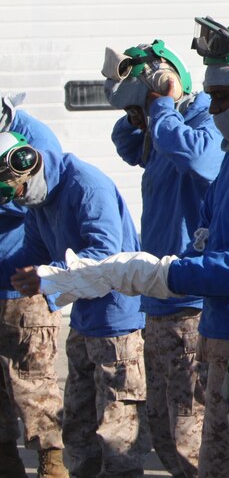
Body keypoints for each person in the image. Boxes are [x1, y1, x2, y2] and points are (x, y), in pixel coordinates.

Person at [40, 19, 229, 478]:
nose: (215, 109)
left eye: (221, 97)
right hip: (223, 333)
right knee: (213, 464)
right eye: (211, 96)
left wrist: (166, 273)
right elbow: (207, 229)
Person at [104, 39, 223, 478]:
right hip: (157, 301)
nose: (140, 118)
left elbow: (200, 160)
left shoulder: (206, 120)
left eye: (143, 108)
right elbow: (125, 143)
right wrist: (143, 111)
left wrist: (163, 106)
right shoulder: (160, 130)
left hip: (191, 302)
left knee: (191, 430)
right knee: (162, 429)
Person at [0, 132, 149, 478]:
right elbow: (33, 254)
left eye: (15, 193)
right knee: (78, 431)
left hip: (117, 326)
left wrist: (47, 279)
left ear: (26, 169)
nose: (17, 202)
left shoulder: (86, 186)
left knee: (118, 436)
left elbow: (103, 255)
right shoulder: (39, 201)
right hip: (83, 323)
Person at [0, 96, 65, 478]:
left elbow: (41, 196)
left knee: (33, 387)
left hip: (22, 287)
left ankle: (52, 465)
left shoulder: (32, 136)